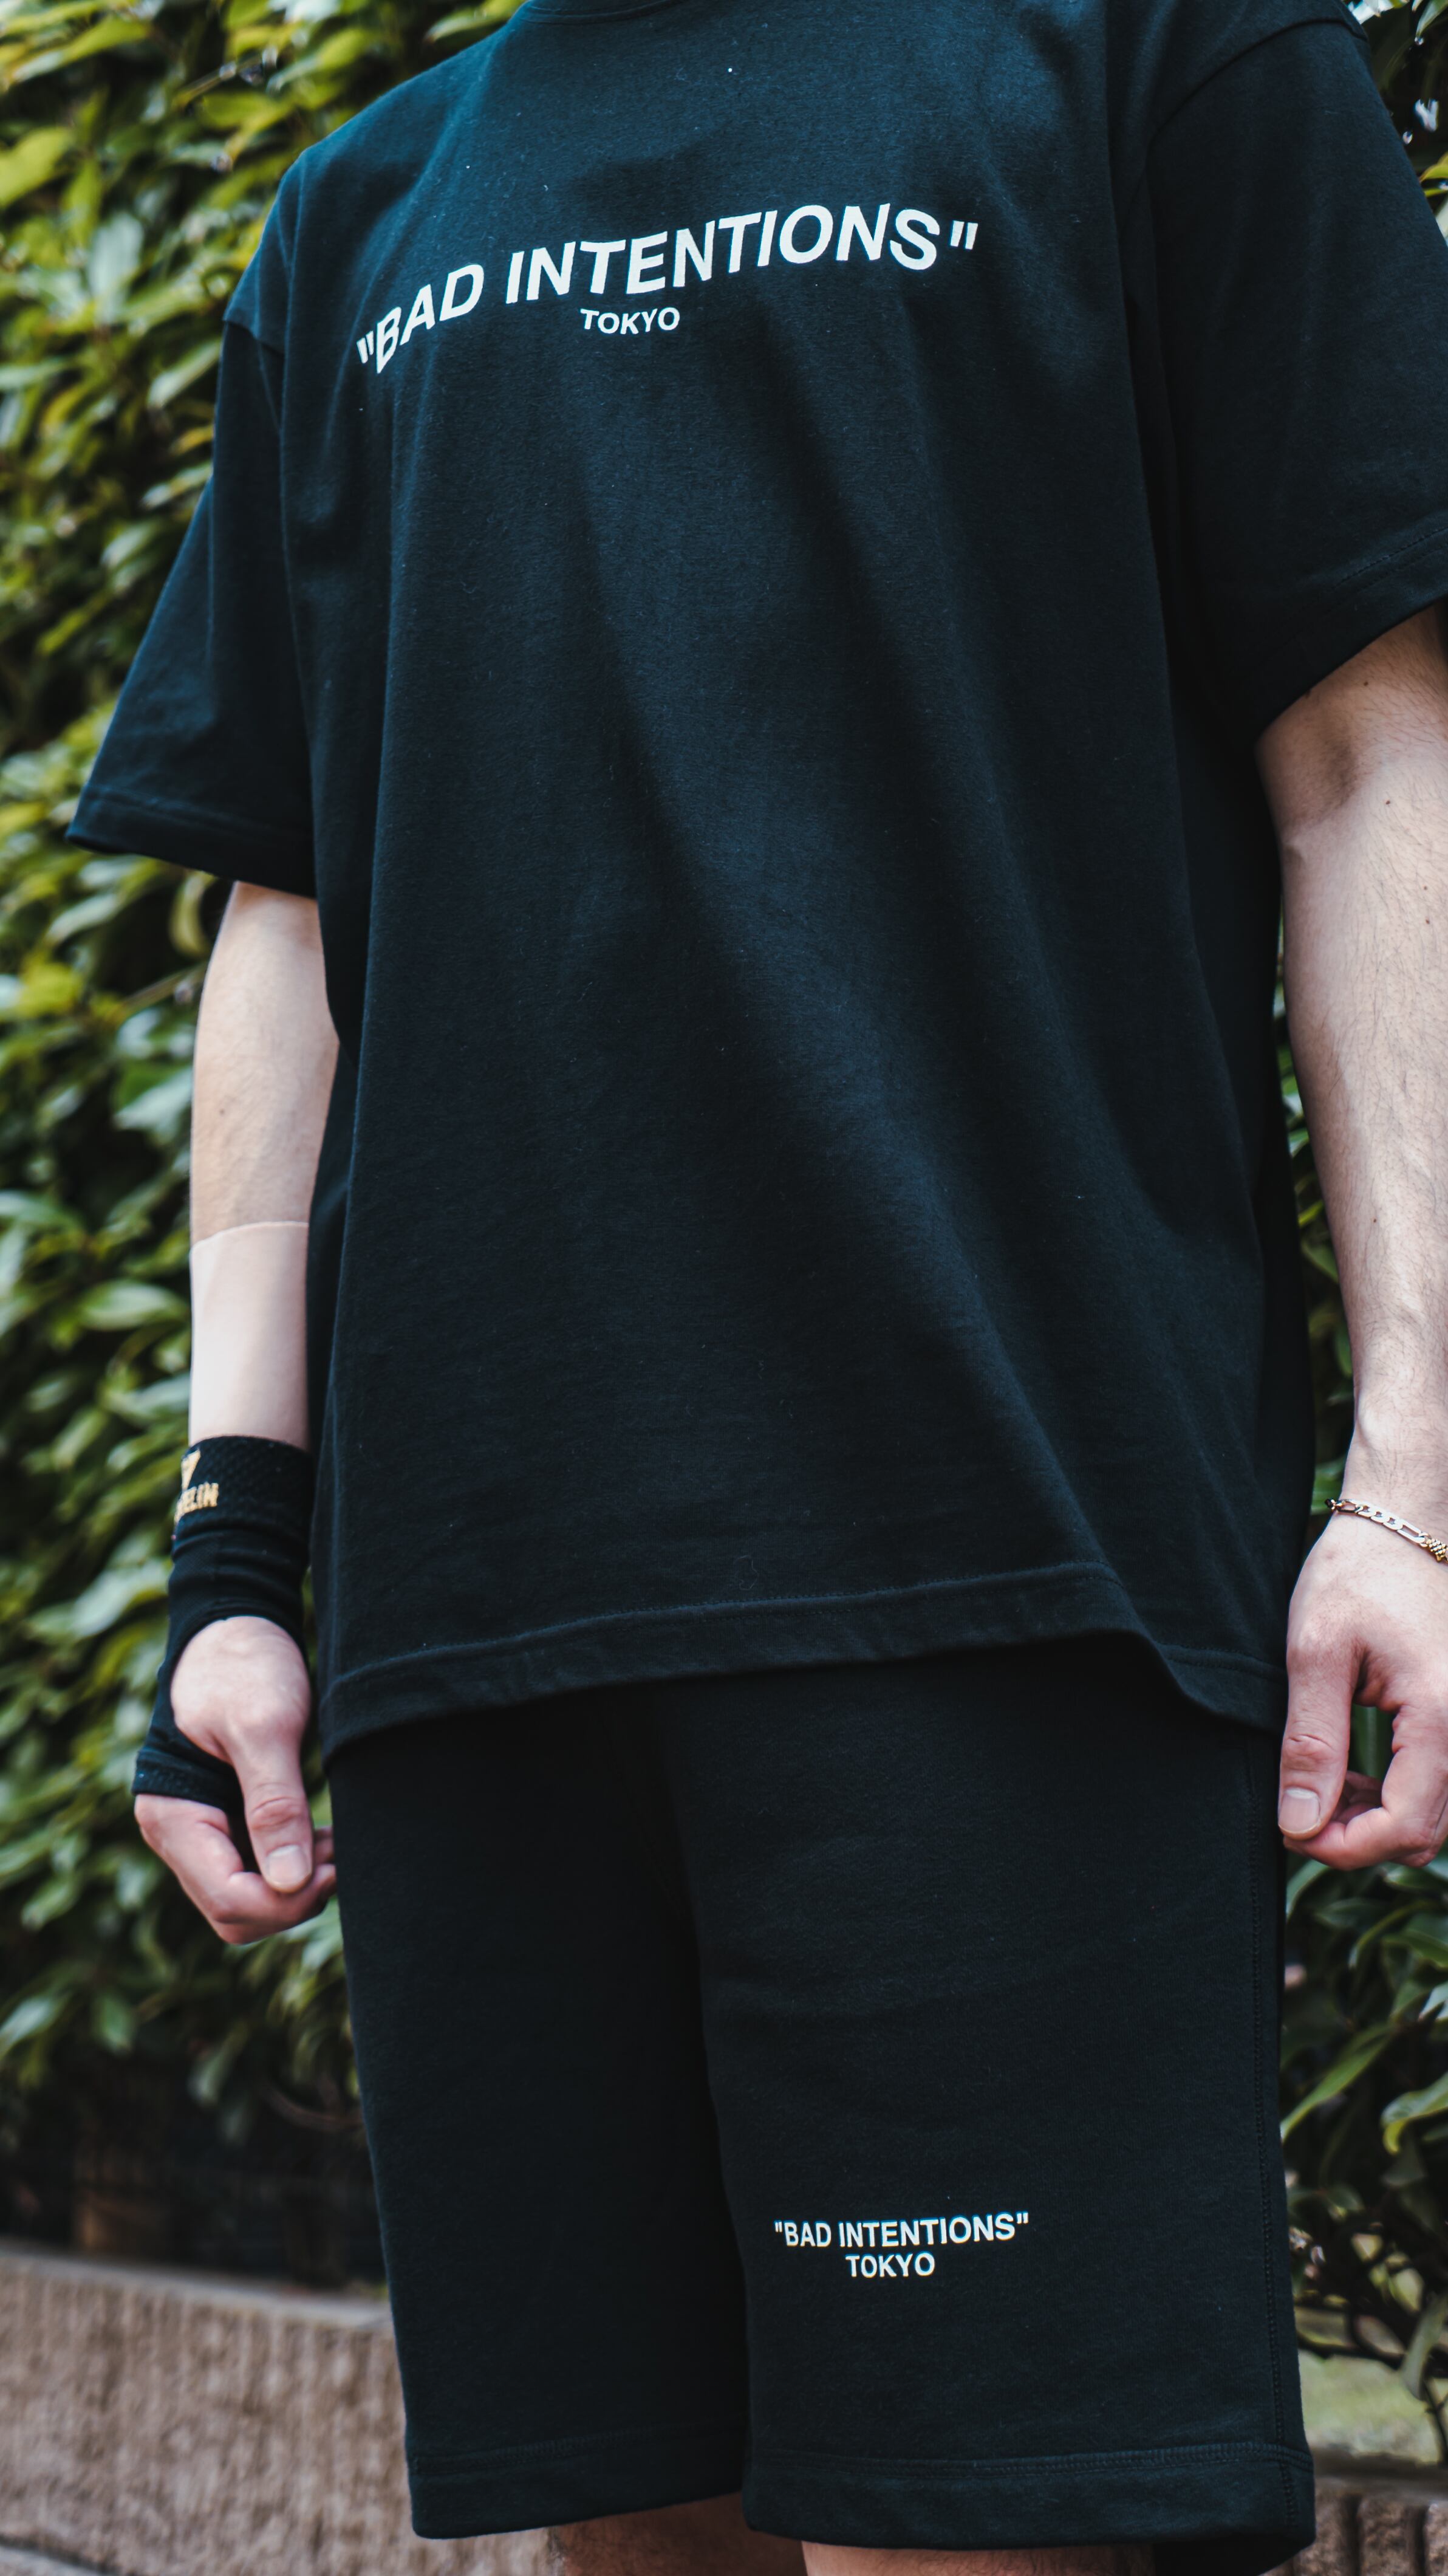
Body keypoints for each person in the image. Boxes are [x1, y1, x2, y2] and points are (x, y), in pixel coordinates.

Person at [68, 0, 1448, 2563]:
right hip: (474, 1619)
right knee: (625, 2534)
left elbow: (1370, 758)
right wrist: (235, 1557)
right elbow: (292, 909)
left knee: (977, 2528)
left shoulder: (1153, 57)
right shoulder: (362, 205)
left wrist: (1411, 1482)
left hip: (991, 1571)